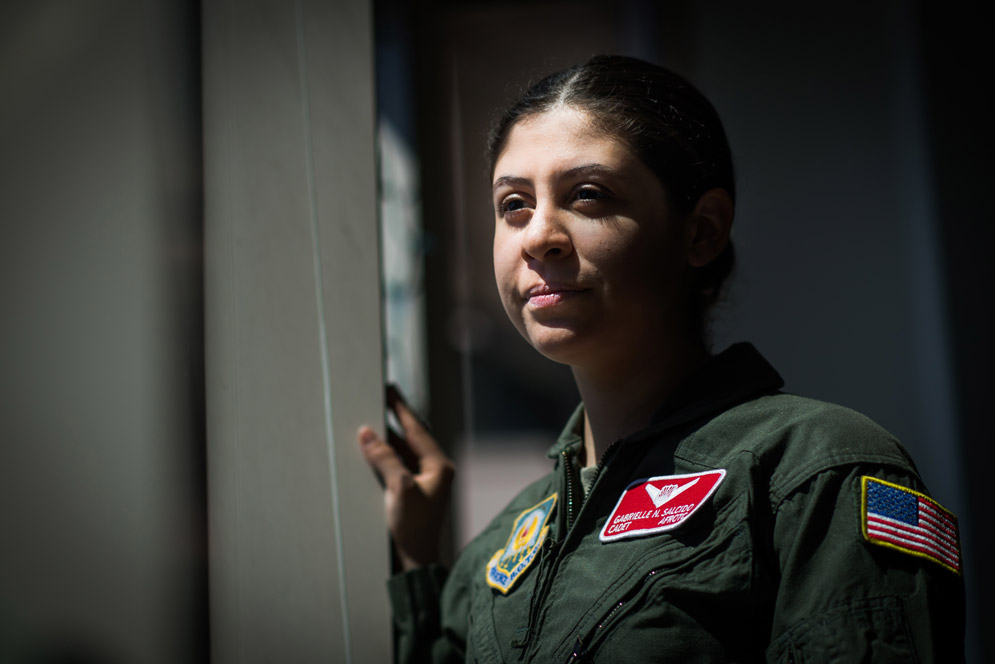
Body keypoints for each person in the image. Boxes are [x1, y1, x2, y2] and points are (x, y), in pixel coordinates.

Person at [357, 54, 965, 662]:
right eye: (514, 204)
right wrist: (418, 561)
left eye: (588, 195)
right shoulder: (498, 549)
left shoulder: (816, 471)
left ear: (702, 230)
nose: (538, 235)